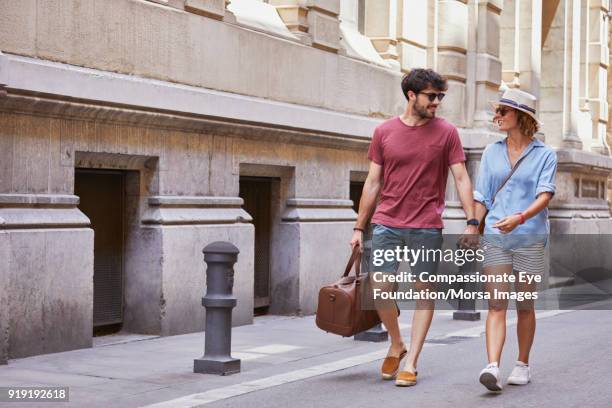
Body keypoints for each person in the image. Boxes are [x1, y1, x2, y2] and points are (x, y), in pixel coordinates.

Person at [350, 68, 479, 387]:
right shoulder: (384, 131)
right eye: (431, 96)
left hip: (426, 226)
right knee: (380, 288)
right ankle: (396, 342)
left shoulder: (447, 132)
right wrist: (358, 227)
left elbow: (461, 178)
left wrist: (473, 220)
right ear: (412, 95)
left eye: (440, 97)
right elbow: (372, 182)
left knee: (424, 292)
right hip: (386, 223)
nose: (437, 102)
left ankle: (413, 361)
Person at [474, 88, 557, 392]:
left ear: (521, 117)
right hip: (496, 236)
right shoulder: (490, 152)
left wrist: (520, 218)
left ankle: (522, 363)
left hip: (529, 237)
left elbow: (545, 194)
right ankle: (493, 366)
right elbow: (482, 194)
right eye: (497, 111)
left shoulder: (545, 154)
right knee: (496, 303)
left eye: (503, 112)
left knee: (524, 304)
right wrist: (473, 225)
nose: (496, 116)